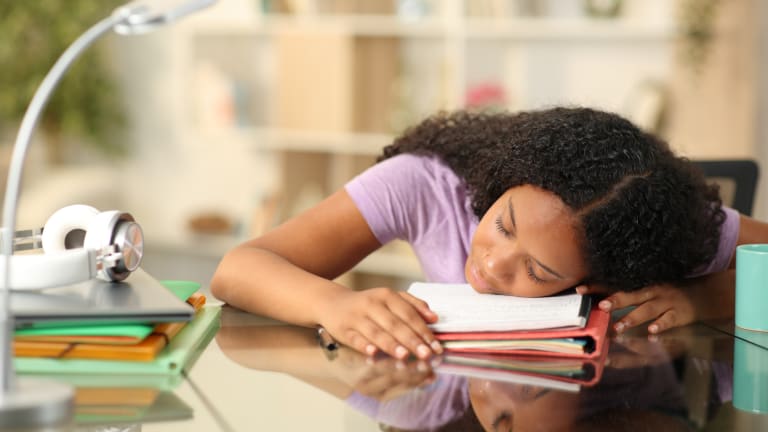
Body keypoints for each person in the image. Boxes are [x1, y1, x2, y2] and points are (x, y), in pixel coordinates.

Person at [211, 106, 768, 360]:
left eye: (539, 271)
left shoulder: (646, 225)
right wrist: (330, 303)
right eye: (502, 224)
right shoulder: (422, 184)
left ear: (603, 275)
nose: (495, 264)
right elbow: (237, 269)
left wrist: (705, 295)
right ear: (505, 180)